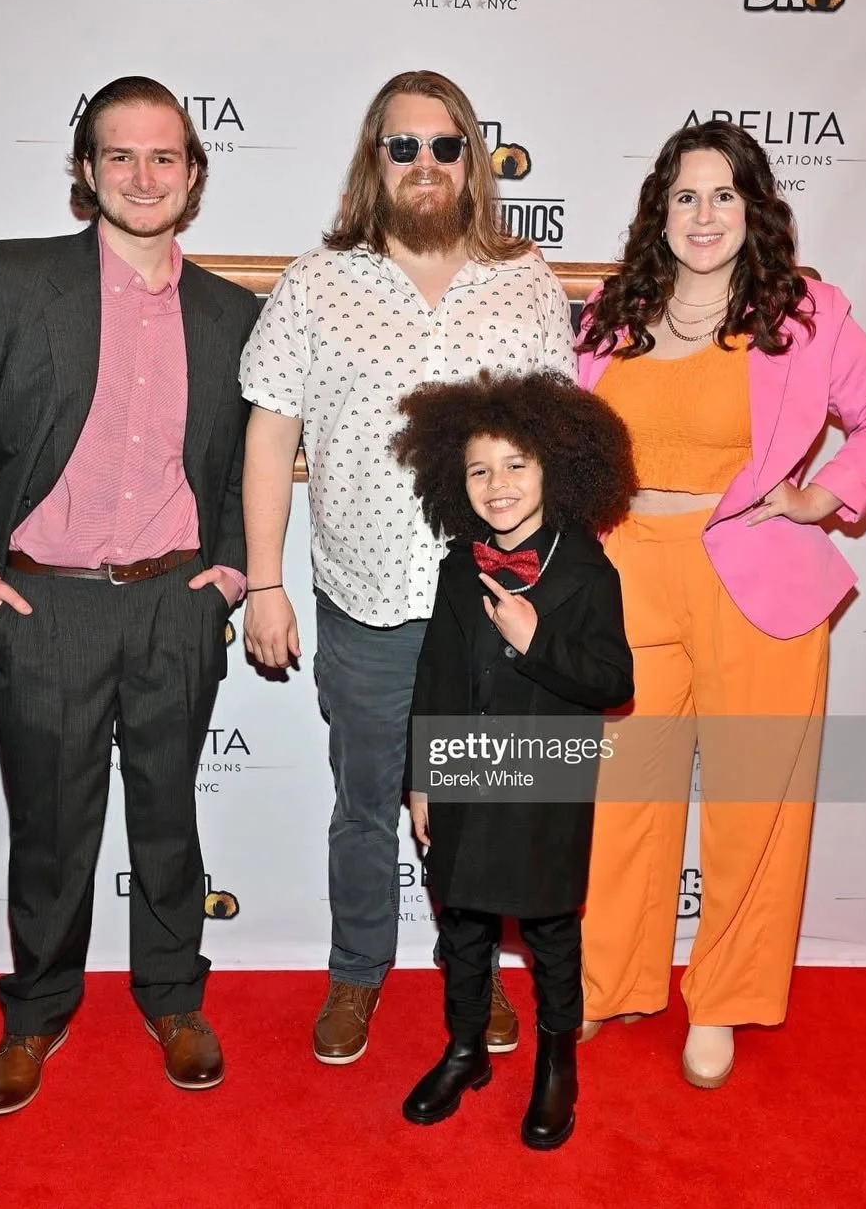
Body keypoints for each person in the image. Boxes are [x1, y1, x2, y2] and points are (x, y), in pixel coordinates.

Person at [0, 76, 259, 1114]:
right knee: (53, 826)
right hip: (46, 604)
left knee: (167, 819)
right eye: (121, 156)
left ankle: (173, 996)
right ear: (86, 171)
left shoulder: (233, 311)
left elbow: (254, 458)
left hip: (174, 602)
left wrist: (231, 576)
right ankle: (34, 1013)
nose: (143, 175)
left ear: (193, 174)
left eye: (165, 156)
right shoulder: (13, 281)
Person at [239, 70, 575, 1064]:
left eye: (445, 145)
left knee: (483, 802)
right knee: (364, 802)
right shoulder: (317, 280)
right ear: (373, 161)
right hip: (365, 606)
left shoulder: (526, 278)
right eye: (403, 146)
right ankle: (355, 973)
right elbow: (268, 436)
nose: (424, 164)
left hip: (492, 603)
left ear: (472, 159)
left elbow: (556, 447)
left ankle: (480, 973)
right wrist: (265, 581)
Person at [577, 119, 866, 1088]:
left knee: (751, 801)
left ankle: (721, 999)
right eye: (686, 194)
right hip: (629, 570)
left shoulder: (802, 311)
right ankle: (609, 979)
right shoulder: (610, 312)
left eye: (724, 194)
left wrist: (828, 492)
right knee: (622, 796)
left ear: (754, 207)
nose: (704, 213)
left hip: (758, 577)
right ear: (661, 209)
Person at [390, 369, 634, 1149]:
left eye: (516, 464)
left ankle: (558, 1062)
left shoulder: (590, 570)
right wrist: (421, 777)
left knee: (552, 929)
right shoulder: (458, 567)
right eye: (479, 469)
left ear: (555, 467)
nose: (498, 485)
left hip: (547, 778)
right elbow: (433, 672)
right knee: (461, 921)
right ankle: (466, 1050)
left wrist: (538, 643)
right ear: (456, 482)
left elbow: (613, 680)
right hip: (463, 769)